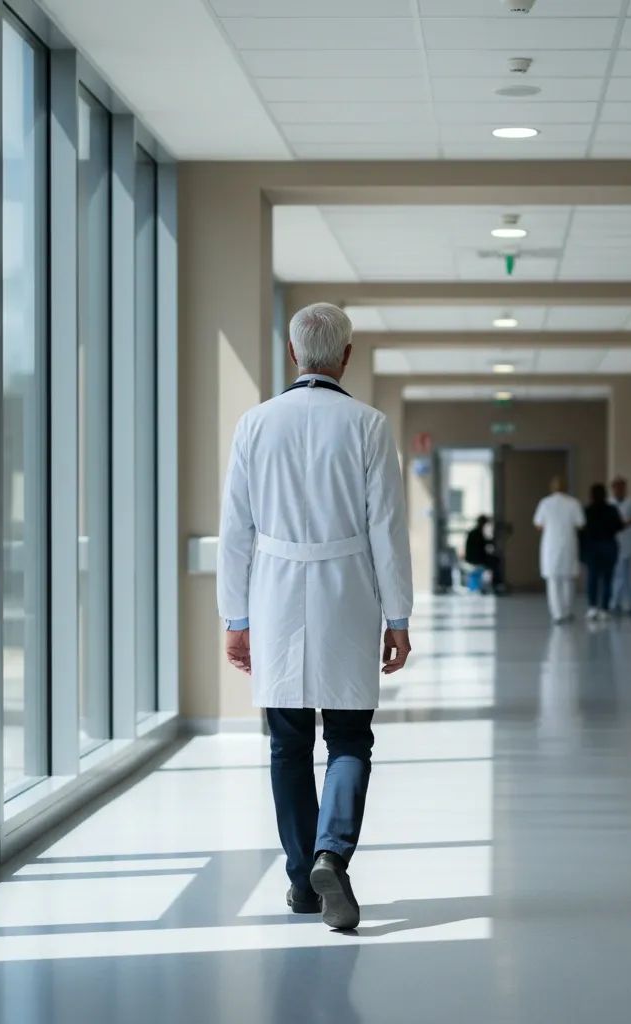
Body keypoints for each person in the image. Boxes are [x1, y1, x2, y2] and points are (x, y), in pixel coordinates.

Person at [217, 302, 412, 931]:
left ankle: (303, 881)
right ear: (346, 355)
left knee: (288, 745)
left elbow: (235, 532)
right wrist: (399, 616)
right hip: (347, 594)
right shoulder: (369, 425)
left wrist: (235, 617)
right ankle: (333, 851)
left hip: (274, 594)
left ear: (294, 353)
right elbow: (386, 527)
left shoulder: (254, 424)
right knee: (350, 737)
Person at [533, 476, 585, 624]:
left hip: (551, 544)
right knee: (568, 579)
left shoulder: (545, 503)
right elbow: (580, 524)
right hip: (568, 543)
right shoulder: (573, 503)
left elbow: (538, 524)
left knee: (553, 580)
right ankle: (567, 611)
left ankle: (557, 614)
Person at [582, 483, 624, 621]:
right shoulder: (611, 509)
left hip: (592, 547)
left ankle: (593, 607)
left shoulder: (587, 511)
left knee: (592, 578)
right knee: (608, 578)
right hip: (609, 546)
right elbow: (619, 526)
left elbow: (581, 532)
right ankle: (605, 608)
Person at [610, 476, 631, 617]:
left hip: (629, 543)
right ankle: (615, 603)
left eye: (622, 486)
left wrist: (628, 522)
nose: (619, 489)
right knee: (618, 575)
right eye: (617, 487)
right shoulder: (609, 504)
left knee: (629, 576)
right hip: (615, 543)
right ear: (613, 488)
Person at [464, 514, 501, 589]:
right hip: (476, 558)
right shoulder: (476, 533)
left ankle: (495, 584)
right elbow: (483, 546)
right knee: (495, 561)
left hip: (476, 557)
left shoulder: (476, 532)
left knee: (494, 560)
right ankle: (496, 585)